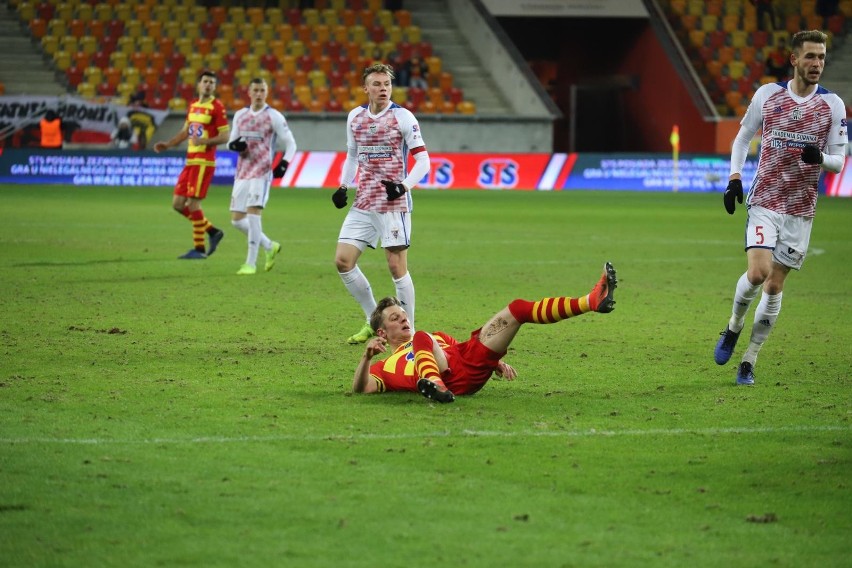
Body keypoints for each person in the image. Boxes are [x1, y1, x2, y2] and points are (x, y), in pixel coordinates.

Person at [716, 30, 848, 386]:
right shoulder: (768, 96)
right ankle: (732, 327)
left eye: (821, 57)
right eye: (810, 57)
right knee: (757, 274)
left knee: (774, 287)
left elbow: (839, 160)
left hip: (800, 209)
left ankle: (749, 359)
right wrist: (734, 178)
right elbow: (743, 138)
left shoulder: (832, 105)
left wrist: (819, 157)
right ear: (794, 60)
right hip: (765, 200)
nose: (817, 64)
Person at [353, 263, 618, 403]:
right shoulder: (384, 367)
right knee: (423, 336)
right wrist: (366, 358)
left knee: (517, 309)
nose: (403, 319)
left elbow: (465, 349)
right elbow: (362, 389)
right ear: (382, 332)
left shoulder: (437, 338)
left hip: (466, 361)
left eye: (403, 314)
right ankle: (435, 385)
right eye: (395, 318)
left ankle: (591, 301)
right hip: (451, 379)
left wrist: (496, 363)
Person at [331, 62, 431, 344]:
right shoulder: (355, 117)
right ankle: (371, 320)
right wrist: (343, 185)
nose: (383, 89)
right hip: (364, 201)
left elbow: (423, 161)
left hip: (393, 203)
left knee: (396, 267)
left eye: (386, 84)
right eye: (376, 84)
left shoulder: (403, 117)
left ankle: (409, 337)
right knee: (343, 261)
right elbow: (352, 156)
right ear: (366, 88)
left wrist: (404, 186)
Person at [154, 70, 230, 260]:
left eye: (212, 83)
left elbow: (225, 136)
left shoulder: (217, 107)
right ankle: (212, 231)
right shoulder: (193, 106)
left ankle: (199, 249)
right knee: (178, 204)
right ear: (198, 84)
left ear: (215, 87)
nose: (208, 85)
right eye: (205, 81)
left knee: (193, 204)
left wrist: (204, 142)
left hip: (204, 162)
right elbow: (186, 131)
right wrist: (169, 144)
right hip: (190, 161)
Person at [227, 78, 297, 275]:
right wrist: (234, 146)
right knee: (237, 220)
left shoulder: (273, 116)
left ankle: (250, 263)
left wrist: (284, 163)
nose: (259, 93)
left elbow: (291, 143)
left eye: (262, 90)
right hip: (242, 173)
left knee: (253, 215)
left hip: (262, 172)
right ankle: (269, 246)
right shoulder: (240, 115)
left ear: (266, 93)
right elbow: (231, 142)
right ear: (249, 92)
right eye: (255, 90)